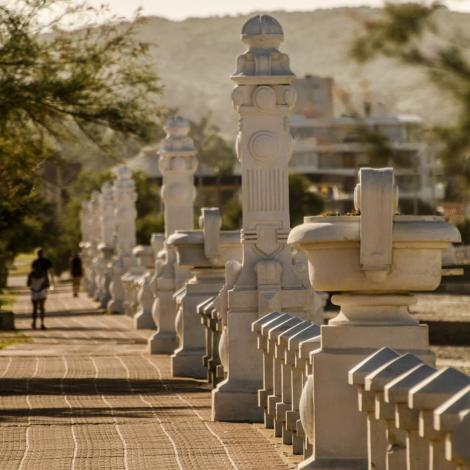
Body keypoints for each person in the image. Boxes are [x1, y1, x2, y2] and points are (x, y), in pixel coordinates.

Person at [27, 262, 49, 329]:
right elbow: (47, 284)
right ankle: (42, 324)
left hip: (34, 291)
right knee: (42, 308)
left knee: (35, 308)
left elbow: (28, 284)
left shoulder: (31, 274)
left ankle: (34, 323)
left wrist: (34, 283)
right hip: (41, 291)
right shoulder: (43, 273)